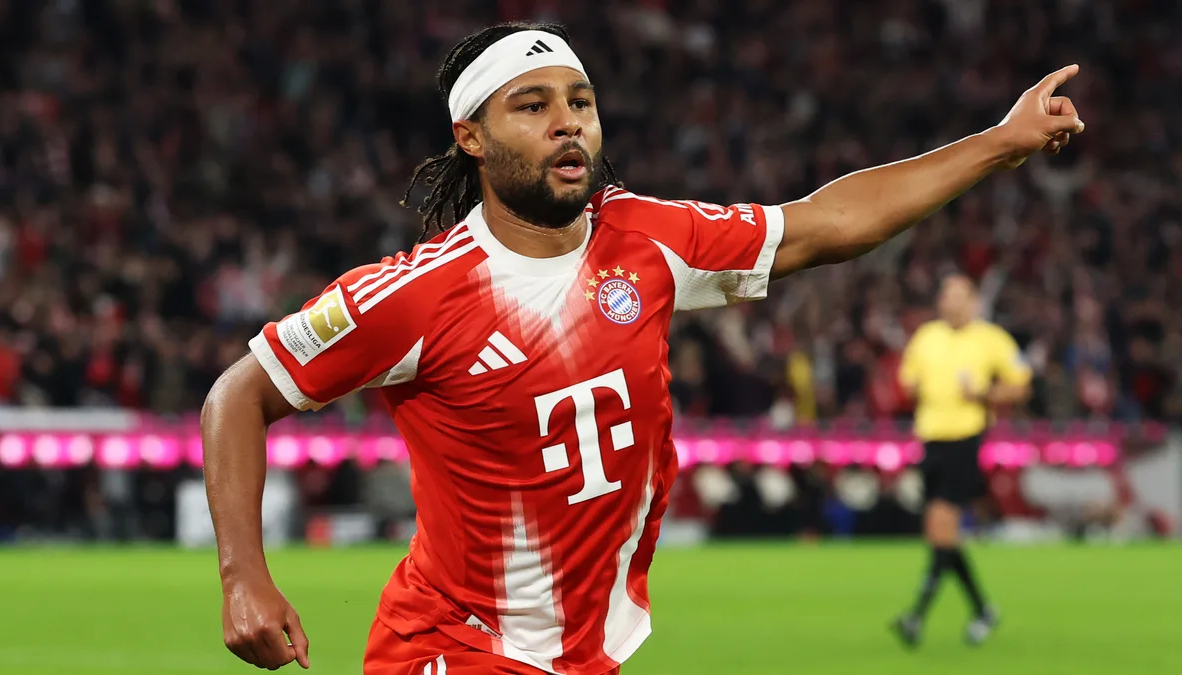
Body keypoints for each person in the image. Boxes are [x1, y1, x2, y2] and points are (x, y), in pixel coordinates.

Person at [199, 20, 1082, 675]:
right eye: (533, 106)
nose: (568, 123)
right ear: (470, 138)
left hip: (585, 648)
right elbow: (239, 394)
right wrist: (243, 576)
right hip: (456, 647)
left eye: (579, 102)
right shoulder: (415, 295)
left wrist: (999, 142)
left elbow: (825, 224)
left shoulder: (647, 239)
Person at [891, 274, 1033, 647]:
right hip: (930, 440)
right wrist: (913, 388)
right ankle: (983, 610)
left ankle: (916, 616)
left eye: (959, 296)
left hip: (965, 440)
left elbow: (1020, 385)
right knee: (940, 536)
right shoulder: (926, 337)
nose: (952, 303)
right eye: (947, 296)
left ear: (973, 302)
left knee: (942, 526)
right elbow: (906, 381)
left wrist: (984, 393)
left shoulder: (991, 339)